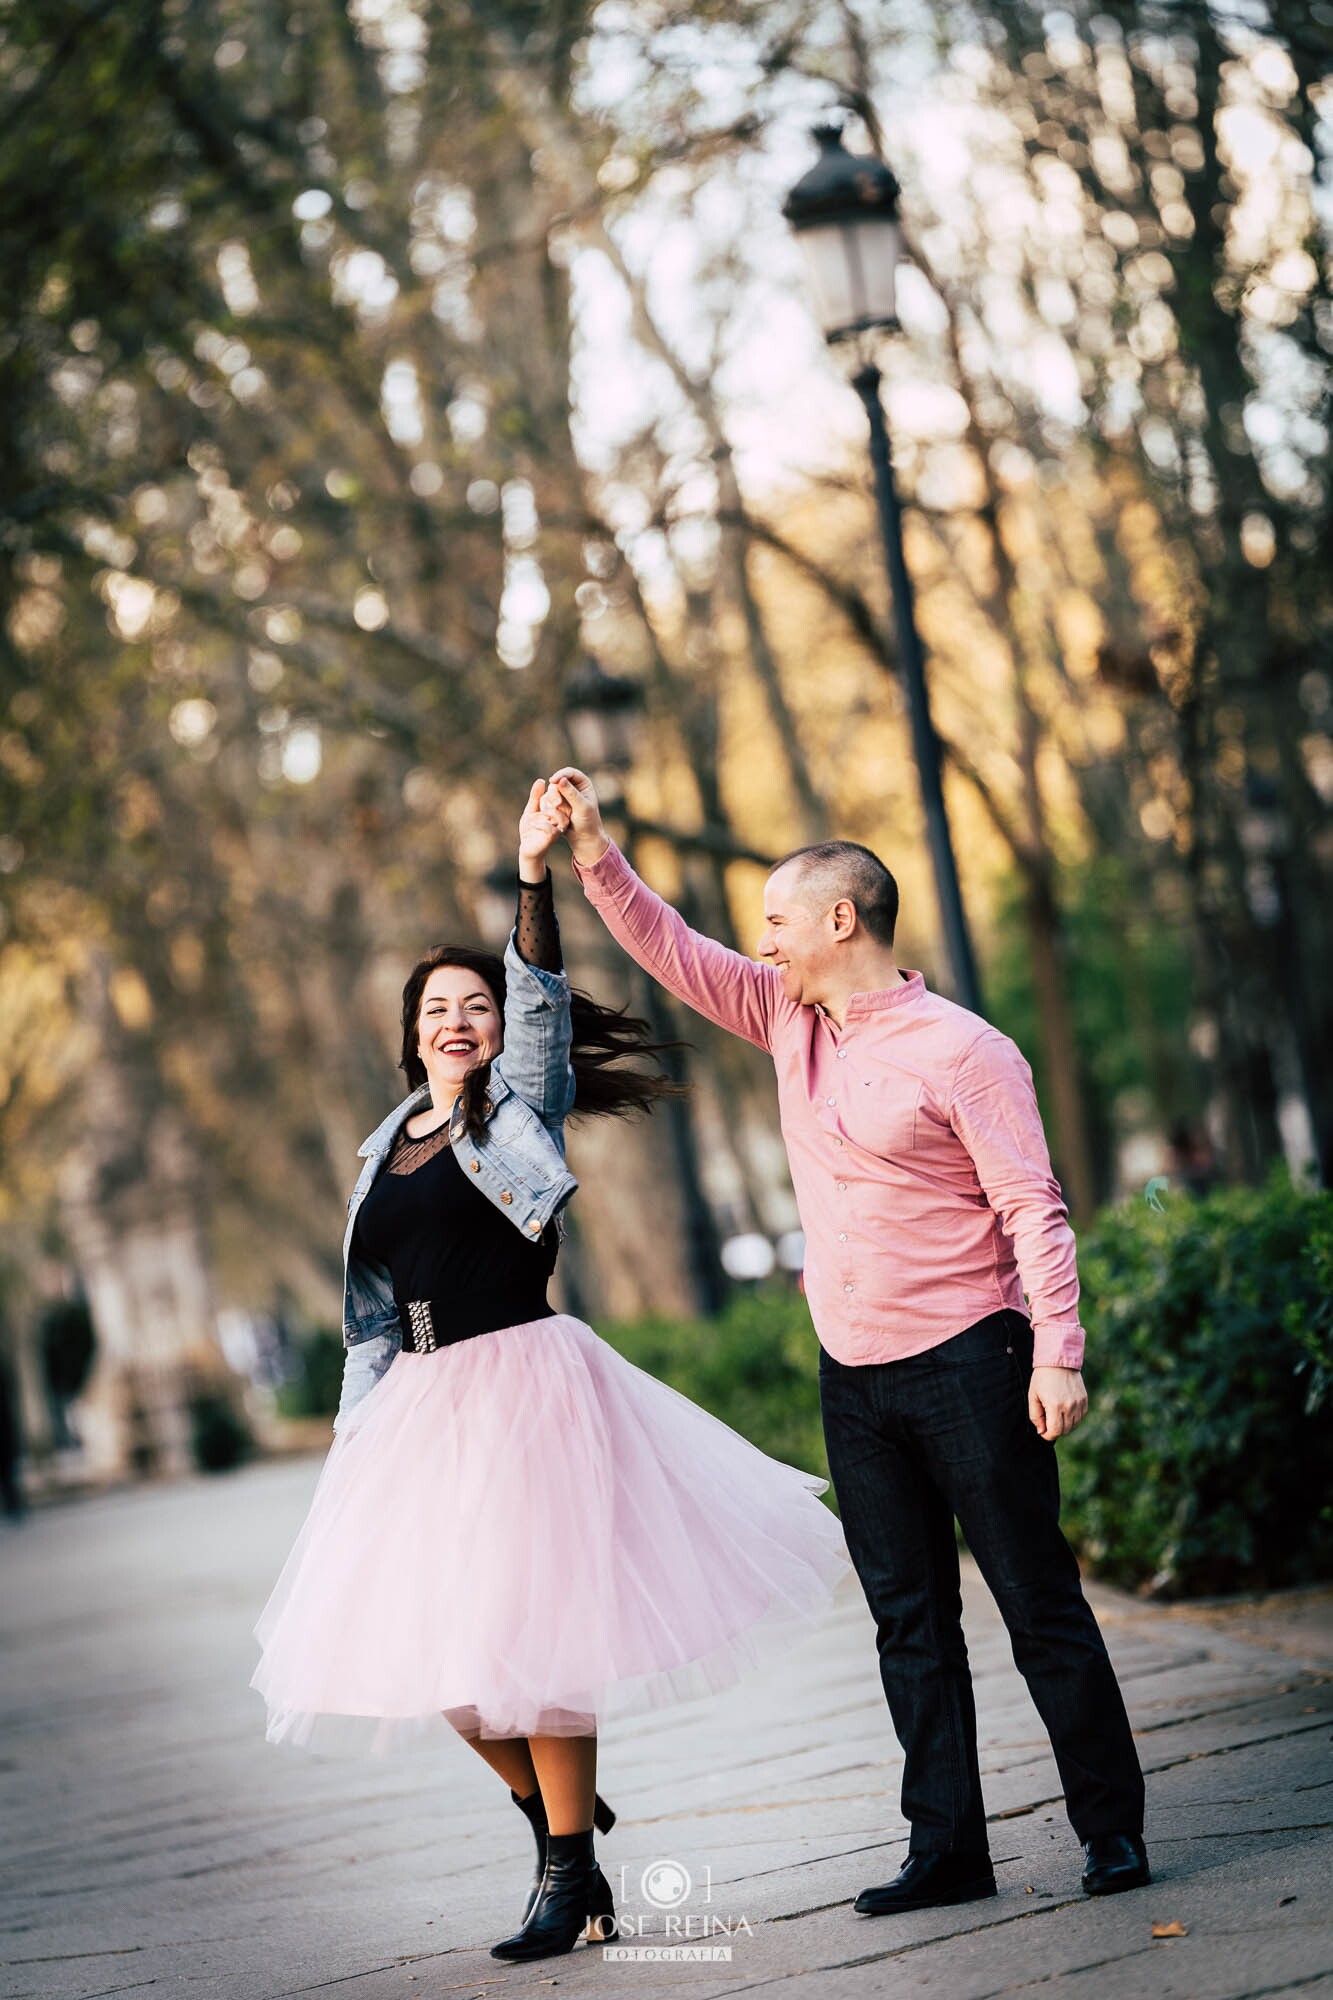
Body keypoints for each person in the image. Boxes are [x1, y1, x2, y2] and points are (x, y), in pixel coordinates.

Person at [249, 780, 852, 1963]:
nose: (457, 1021)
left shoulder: (513, 1110)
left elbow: (536, 1003)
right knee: (442, 1659)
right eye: (438, 1009)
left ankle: (567, 1873)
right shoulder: (385, 1149)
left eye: (473, 1005)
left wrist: (531, 878)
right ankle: (556, 1817)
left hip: (524, 1388)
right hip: (415, 1409)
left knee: (534, 1637)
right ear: (410, 1030)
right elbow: (367, 1317)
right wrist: (354, 1434)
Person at [549, 765, 1150, 1915]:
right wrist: (592, 849)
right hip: (854, 1375)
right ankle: (947, 1848)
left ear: (840, 919)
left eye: (776, 918)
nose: (759, 939)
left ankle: (1109, 1827)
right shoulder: (788, 1017)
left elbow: (1033, 1205)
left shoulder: (965, 1049)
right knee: (906, 1621)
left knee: (1035, 1599)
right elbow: (669, 948)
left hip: (975, 1358)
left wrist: (1059, 1348)